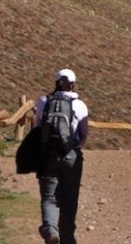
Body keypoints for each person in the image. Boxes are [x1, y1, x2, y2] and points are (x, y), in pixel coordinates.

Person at [34, 69, 89, 244]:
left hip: (48, 155)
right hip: (71, 155)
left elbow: (37, 127)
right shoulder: (79, 104)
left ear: (56, 82)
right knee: (70, 197)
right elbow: (83, 133)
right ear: (73, 84)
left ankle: (50, 229)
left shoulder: (44, 101)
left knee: (49, 197)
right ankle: (68, 238)